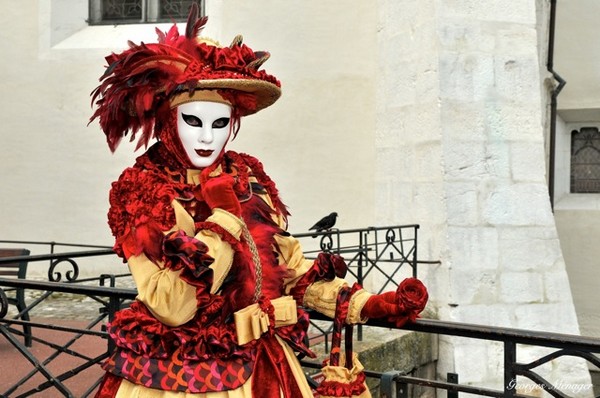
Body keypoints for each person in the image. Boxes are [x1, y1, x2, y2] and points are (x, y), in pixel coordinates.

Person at [91, 6, 427, 398]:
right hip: (188, 376)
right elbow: (172, 306)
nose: (207, 139)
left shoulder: (245, 174)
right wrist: (223, 220)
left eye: (220, 124)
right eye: (193, 121)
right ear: (168, 118)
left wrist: (366, 305)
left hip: (267, 367)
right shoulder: (143, 189)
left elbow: (285, 268)